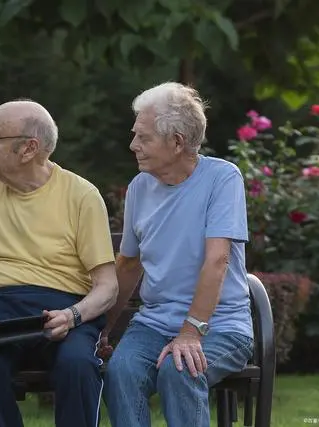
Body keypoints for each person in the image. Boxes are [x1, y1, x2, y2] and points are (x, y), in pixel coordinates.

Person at [0, 99, 119, 427]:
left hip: (64, 311)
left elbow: (107, 285)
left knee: (77, 366)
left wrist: (72, 316)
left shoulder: (81, 195)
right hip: (0, 312)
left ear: (28, 149)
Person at [99, 82, 255, 427]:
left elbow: (218, 260)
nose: (133, 145)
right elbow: (128, 264)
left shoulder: (222, 178)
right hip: (155, 321)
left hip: (220, 325)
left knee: (180, 368)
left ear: (177, 142)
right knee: (121, 372)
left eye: (143, 137)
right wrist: (104, 328)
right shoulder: (140, 187)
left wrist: (190, 333)